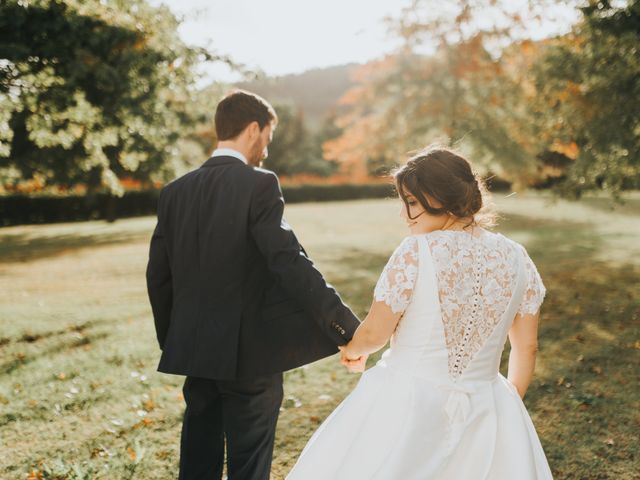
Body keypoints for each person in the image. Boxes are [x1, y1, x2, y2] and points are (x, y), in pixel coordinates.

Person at [287, 146, 553, 479]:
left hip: (409, 403)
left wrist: (353, 351)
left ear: (442, 197)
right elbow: (526, 347)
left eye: (411, 202)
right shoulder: (517, 257)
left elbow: (375, 335)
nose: (404, 214)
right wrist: (507, 408)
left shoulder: (416, 251)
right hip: (488, 403)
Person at [146, 89, 362, 480]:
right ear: (253, 129)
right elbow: (289, 261)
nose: (267, 148)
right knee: (250, 465)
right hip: (251, 356)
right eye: (268, 137)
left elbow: (158, 277)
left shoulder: (173, 192)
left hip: (196, 352)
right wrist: (346, 326)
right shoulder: (258, 184)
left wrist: (176, 339)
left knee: (197, 459)